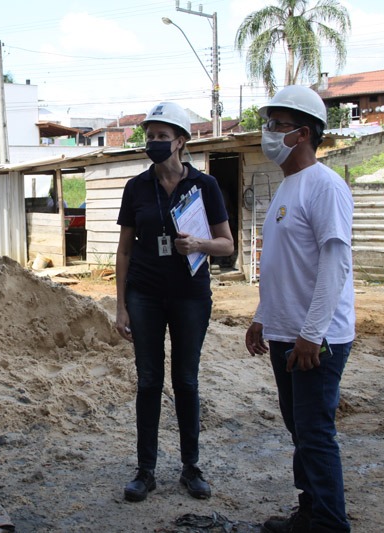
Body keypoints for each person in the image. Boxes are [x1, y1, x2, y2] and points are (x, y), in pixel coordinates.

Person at [245, 85, 355, 533]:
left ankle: (330, 523)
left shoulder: (325, 186)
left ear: (303, 133)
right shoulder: (289, 185)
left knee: (314, 433)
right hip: (286, 331)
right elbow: (283, 265)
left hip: (316, 338)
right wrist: (261, 316)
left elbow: (335, 262)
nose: (267, 133)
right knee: (300, 432)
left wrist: (313, 334)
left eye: (276, 125)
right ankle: (310, 510)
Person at [115, 101, 234, 502]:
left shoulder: (205, 187)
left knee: (185, 380)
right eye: (150, 137)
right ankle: (145, 471)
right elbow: (124, 251)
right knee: (148, 381)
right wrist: (121, 305)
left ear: (181, 142)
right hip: (144, 295)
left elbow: (226, 244)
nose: (153, 143)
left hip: (190, 296)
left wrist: (198, 244)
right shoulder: (136, 188)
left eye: (161, 137)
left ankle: (190, 468)